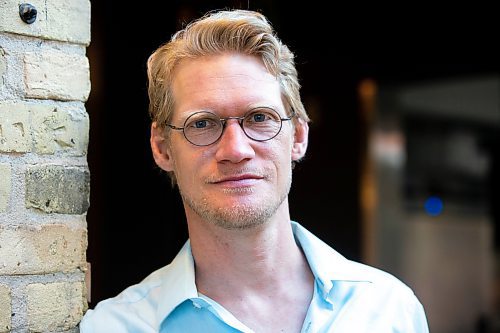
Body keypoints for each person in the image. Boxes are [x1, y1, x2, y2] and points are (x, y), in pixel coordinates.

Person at [80, 9, 429, 333]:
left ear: (299, 136)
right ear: (161, 148)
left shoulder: (391, 310)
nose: (235, 150)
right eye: (202, 124)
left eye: (260, 118)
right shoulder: (114, 327)